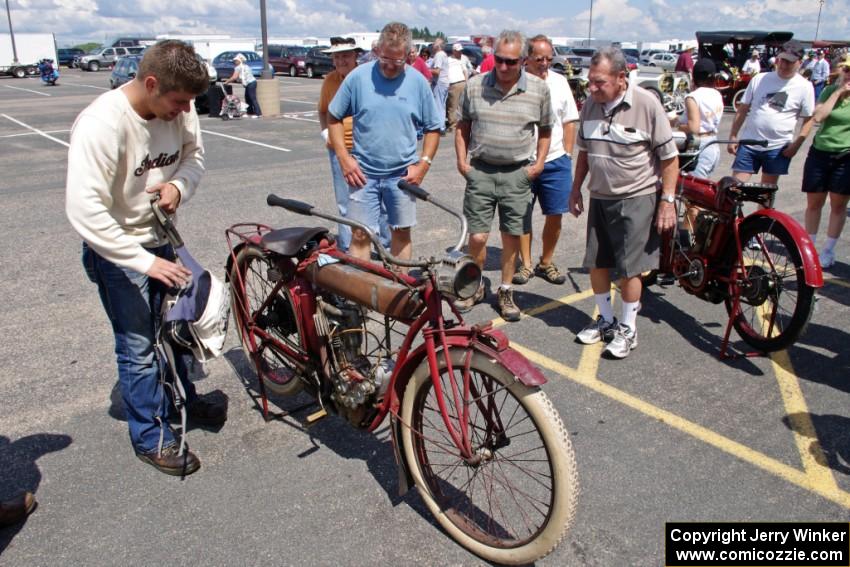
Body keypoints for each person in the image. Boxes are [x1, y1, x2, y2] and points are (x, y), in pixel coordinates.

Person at [65, 40, 227, 476]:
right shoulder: (102, 124)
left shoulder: (181, 105)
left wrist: (179, 187)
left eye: (190, 101)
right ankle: (151, 435)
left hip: (160, 240)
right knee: (138, 347)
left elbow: (194, 157)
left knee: (175, 330)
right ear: (151, 83)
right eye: (178, 101)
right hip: (117, 251)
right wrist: (143, 262)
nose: (185, 110)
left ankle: (183, 401)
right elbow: (84, 211)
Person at [568, 47, 679, 359]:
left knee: (630, 269)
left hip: (636, 197)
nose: (591, 88)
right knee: (597, 262)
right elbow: (585, 152)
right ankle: (605, 320)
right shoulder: (591, 104)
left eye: (599, 82)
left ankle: (628, 328)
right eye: (590, 81)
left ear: (621, 78)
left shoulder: (646, 105)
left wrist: (667, 201)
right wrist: (576, 189)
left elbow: (670, 159)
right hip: (600, 196)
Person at [453, 30, 553, 321]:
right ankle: (474, 285)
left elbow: (546, 130)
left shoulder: (538, 89)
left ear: (522, 60)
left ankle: (506, 290)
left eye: (511, 62)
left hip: (517, 174)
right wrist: (462, 163)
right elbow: (462, 127)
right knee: (478, 237)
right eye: (499, 60)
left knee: (511, 236)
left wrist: (538, 165)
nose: (504, 67)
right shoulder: (474, 86)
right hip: (481, 171)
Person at [328, 22, 442, 262]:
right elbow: (333, 117)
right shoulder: (358, 78)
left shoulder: (418, 83)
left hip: (402, 176)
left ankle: (400, 292)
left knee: (400, 233)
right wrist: (344, 159)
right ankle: (362, 297)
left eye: (398, 61)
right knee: (359, 235)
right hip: (363, 174)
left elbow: (433, 128)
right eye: (385, 58)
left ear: (409, 55)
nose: (390, 65)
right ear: (378, 50)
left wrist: (424, 164)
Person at [513, 34, 579, 287]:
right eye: (539, 58)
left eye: (549, 58)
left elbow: (569, 120)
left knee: (555, 214)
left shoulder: (560, 82)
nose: (544, 63)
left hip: (555, 161)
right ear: (526, 58)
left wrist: (568, 154)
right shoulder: (515, 82)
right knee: (521, 215)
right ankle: (526, 264)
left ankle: (546, 261)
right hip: (522, 161)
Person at [728, 40, 815, 187]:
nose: (783, 65)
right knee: (735, 187)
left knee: (766, 192)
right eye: (781, 60)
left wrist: (796, 145)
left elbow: (808, 119)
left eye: (789, 62)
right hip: (750, 143)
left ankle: (762, 211)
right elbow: (742, 110)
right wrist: (733, 135)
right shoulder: (760, 79)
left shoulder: (804, 87)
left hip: (778, 147)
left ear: (799, 63)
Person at [802, 55, 850, 269]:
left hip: (845, 155)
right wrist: (839, 92)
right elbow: (818, 117)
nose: (849, 75)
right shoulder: (831, 90)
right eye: (847, 70)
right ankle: (810, 248)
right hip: (820, 152)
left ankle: (829, 250)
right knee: (814, 202)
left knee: (838, 205)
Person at [678, 57, 724, 178]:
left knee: (693, 188)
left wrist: (677, 126)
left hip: (700, 145)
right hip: (714, 144)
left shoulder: (693, 97)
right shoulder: (716, 94)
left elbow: (694, 127)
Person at [223, 53, 261, 118]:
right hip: (253, 82)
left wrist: (226, 82)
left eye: (235, 61)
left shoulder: (238, 68)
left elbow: (234, 77)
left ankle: (258, 113)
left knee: (252, 98)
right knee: (247, 97)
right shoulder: (246, 66)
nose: (234, 62)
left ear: (239, 61)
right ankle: (250, 111)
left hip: (250, 83)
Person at [445, 43, 472, 132]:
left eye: (460, 51)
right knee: (453, 105)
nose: (460, 52)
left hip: (461, 83)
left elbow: (465, 71)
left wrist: (466, 82)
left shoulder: (461, 59)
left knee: (459, 105)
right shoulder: (448, 60)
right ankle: (453, 124)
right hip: (453, 84)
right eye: (458, 51)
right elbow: (445, 72)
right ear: (453, 51)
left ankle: (457, 124)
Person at [430, 39, 450, 133]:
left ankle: (439, 127)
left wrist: (426, 69)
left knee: (438, 104)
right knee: (442, 105)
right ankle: (441, 126)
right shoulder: (443, 54)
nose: (433, 45)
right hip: (444, 82)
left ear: (438, 46)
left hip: (439, 82)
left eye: (434, 43)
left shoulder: (439, 55)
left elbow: (437, 71)